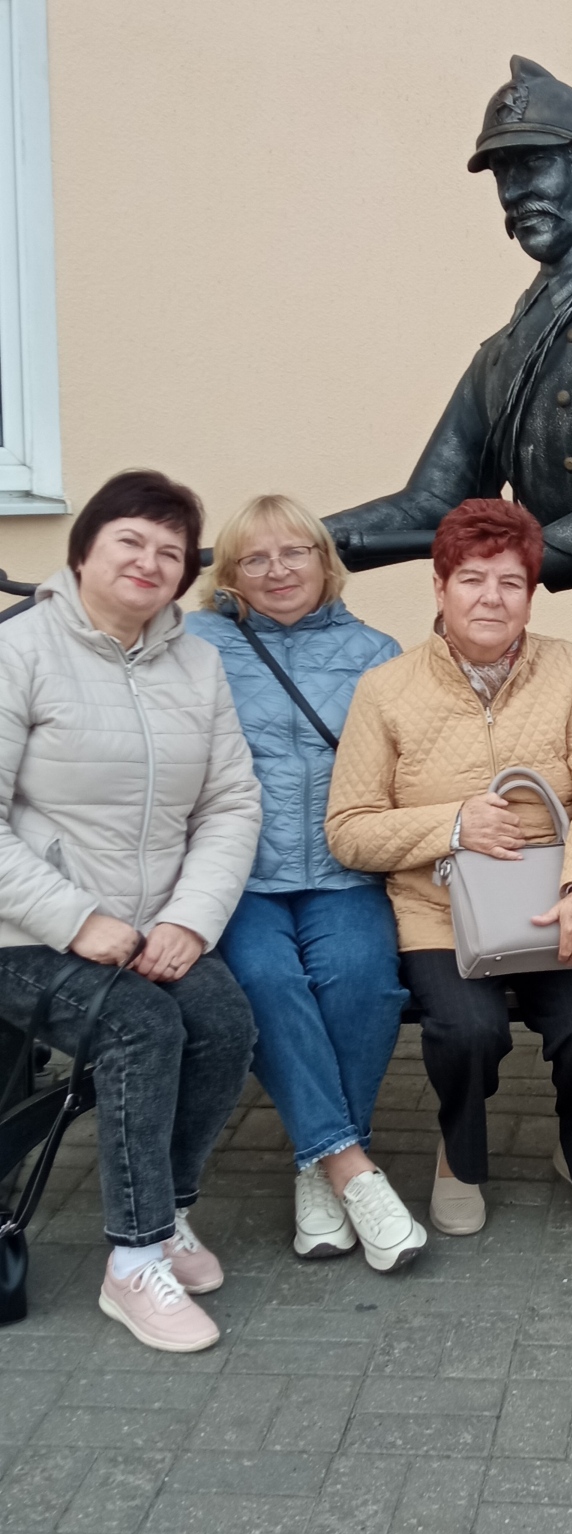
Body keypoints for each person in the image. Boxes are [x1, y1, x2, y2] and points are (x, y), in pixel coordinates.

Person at [323, 55, 572, 637]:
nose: (514, 191)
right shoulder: (502, 353)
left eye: (535, 162)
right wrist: (307, 542)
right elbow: (434, 502)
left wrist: (515, 557)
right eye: (502, 172)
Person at [325, 497, 572, 1236]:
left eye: (509, 582)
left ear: (530, 595)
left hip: (553, 896)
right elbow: (349, 829)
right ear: (439, 589)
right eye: (471, 579)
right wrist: (454, 825)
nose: (490, 597)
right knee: (467, 1032)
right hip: (440, 910)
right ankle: (458, 1153)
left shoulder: (564, 666)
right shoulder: (386, 689)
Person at [0, 470, 261, 1353]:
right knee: (142, 1030)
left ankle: (168, 1207)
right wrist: (77, 921)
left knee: (223, 1024)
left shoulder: (197, 662)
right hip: (25, 932)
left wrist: (189, 920)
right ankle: (134, 1259)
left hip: (152, 926)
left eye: (170, 551)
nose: (149, 561)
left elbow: (231, 803)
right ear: (83, 552)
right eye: (130, 541)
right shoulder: (20, 651)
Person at [187, 495, 423, 1274]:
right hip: (238, 875)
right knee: (266, 981)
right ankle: (351, 1170)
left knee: (361, 982)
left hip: (341, 869)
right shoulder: (193, 645)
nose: (277, 570)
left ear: (325, 562)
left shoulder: (374, 651)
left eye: (294, 552)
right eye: (254, 558)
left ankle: (316, 1169)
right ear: (230, 574)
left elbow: (400, 769)